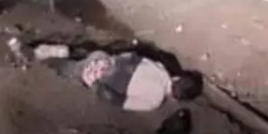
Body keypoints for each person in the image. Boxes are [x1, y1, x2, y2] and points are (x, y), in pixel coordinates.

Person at [44, 49, 203, 112]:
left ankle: (59, 55)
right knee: (72, 73)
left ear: (177, 77)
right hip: (100, 78)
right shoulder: (153, 102)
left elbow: (129, 56)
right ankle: (44, 62)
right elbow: (116, 100)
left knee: (80, 63)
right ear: (175, 98)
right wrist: (95, 84)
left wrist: (110, 61)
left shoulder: (160, 68)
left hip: (102, 59)